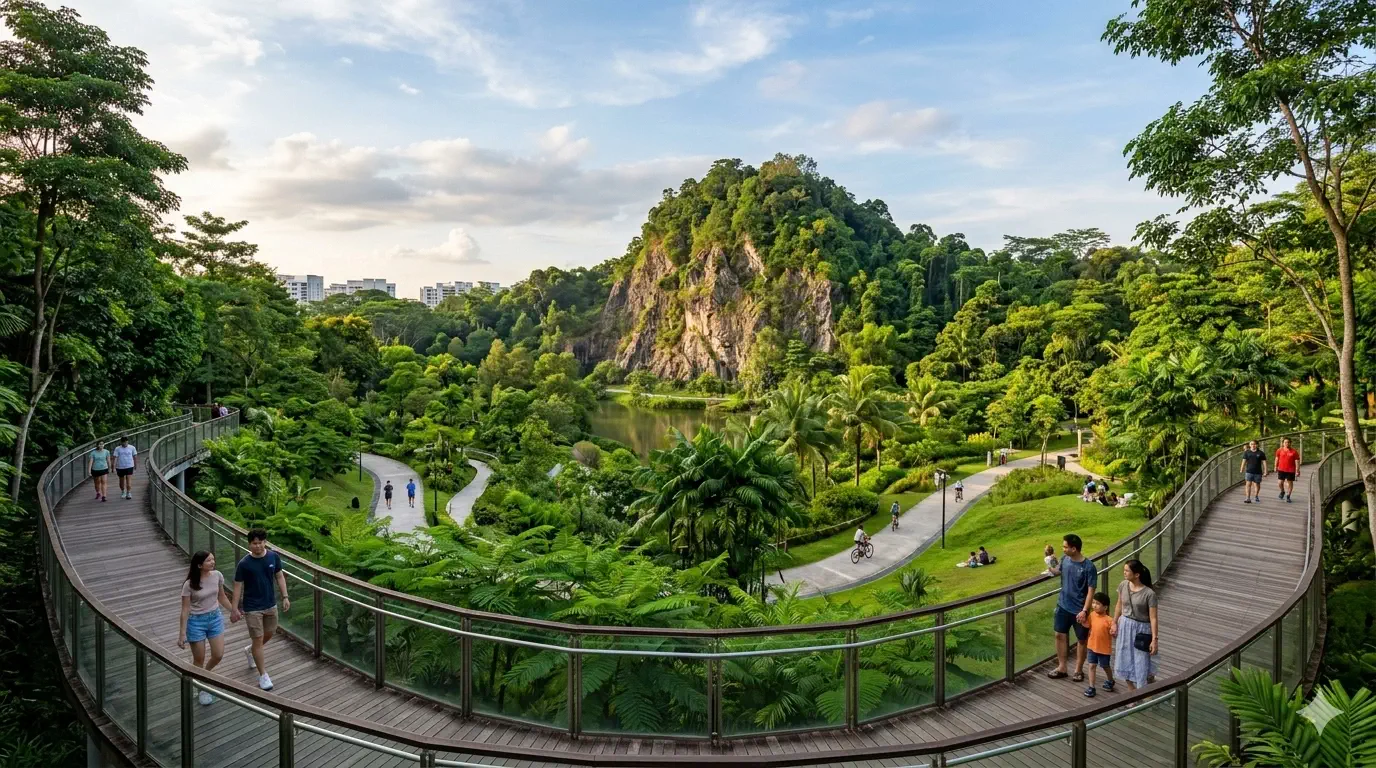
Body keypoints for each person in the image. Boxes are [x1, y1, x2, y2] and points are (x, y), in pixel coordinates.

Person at [231, 528, 289, 691]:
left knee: (269, 633)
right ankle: (263, 675)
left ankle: (250, 651)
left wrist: (285, 596)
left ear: (265, 542)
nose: (257, 546)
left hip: (270, 604)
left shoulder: (273, 557)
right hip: (252, 607)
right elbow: (237, 586)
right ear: (249, 544)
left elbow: (279, 576)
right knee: (258, 639)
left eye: (260, 543)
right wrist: (235, 608)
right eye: (254, 543)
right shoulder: (244, 564)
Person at [178, 550, 234, 705]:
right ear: (199, 565)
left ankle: (203, 677)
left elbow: (221, 596)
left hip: (214, 617)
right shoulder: (189, 585)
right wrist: (182, 634)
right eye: (209, 560)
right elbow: (185, 610)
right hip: (196, 622)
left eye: (213, 559)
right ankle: (201, 687)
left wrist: (233, 610)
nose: (213, 562)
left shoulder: (217, 575)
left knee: (218, 654)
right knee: (199, 659)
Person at [1047, 533, 1098, 682]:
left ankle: (1078, 670)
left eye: (1065, 547)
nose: (1063, 549)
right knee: (1059, 635)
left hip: (1079, 610)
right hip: (1062, 605)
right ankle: (1062, 667)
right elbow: (1059, 570)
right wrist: (1050, 569)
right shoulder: (1065, 560)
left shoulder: (1089, 567)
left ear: (1074, 548)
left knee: (1081, 640)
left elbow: (1091, 591)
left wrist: (1085, 610)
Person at [1110, 559, 1159, 691]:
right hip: (1125, 626)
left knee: (1141, 661)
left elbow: (1153, 617)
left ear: (1137, 574)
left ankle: (1144, 688)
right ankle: (1132, 692)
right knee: (1124, 658)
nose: (1124, 573)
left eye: (1127, 571)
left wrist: (1154, 639)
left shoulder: (1149, 594)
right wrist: (1114, 622)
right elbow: (1119, 605)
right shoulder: (1123, 585)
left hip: (1142, 629)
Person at [1080, 592, 1116, 697]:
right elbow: (1088, 625)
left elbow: (1113, 632)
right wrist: (1082, 621)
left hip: (1104, 649)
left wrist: (1114, 632)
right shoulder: (1092, 615)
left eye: (1098, 604)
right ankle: (1092, 687)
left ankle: (1110, 680)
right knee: (1091, 666)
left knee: (1105, 666)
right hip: (1091, 646)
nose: (1094, 605)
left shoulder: (1109, 620)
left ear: (1105, 607)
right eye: (1094, 603)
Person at [1240, 440, 1268, 504]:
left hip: (1258, 472)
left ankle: (1256, 495)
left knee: (1257, 485)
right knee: (1248, 484)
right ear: (1249, 445)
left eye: (1255, 444)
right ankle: (1248, 498)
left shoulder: (1261, 453)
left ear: (1257, 445)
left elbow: (1264, 462)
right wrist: (1241, 468)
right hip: (1249, 471)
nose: (1253, 445)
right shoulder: (1247, 452)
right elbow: (1244, 461)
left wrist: (1265, 471)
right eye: (1252, 444)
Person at [1275, 437, 1300, 503]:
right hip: (1281, 469)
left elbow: (1297, 461)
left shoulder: (1294, 451)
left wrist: (1297, 470)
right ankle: (1282, 491)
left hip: (1291, 470)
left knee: (1290, 483)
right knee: (1280, 482)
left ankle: (1288, 496)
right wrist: (1275, 466)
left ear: (1290, 443)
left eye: (1288, 442)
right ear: (1283, 443)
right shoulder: (1279, 450)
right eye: (1285, 442)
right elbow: (1277, 458)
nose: (1287, 443)